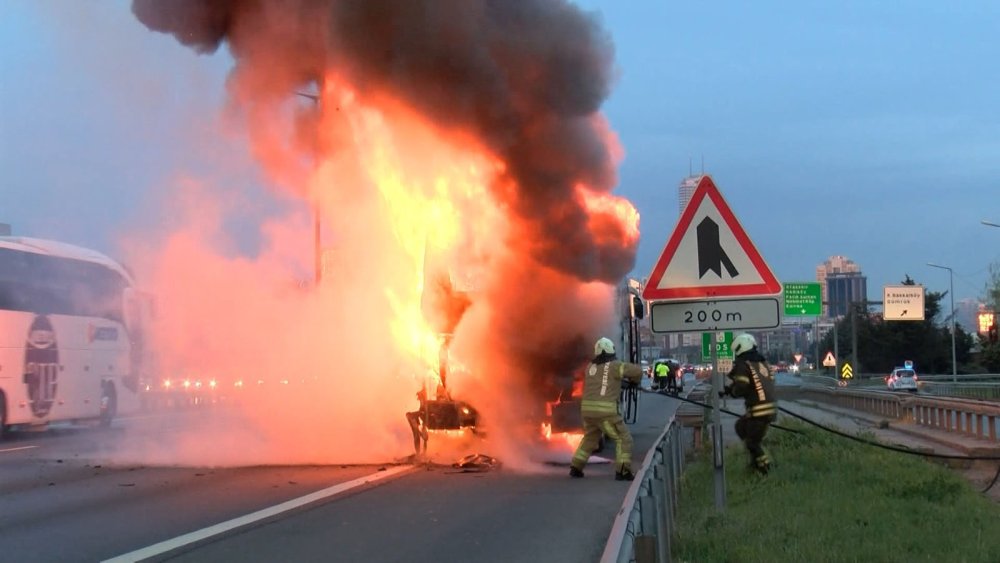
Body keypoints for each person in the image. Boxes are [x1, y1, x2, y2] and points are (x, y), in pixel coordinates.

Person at [569, 337, 644, 481]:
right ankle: (623, 471)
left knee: (590, 438)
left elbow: (602, 383)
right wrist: (634, 383)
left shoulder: (590, 367)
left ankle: (576, 467)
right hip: (605, 413)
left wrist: (619, 384)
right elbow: (637, 372)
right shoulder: (615, 366)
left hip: (588, 412)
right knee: (624, 439)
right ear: (611, 350)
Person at [721, 333, 777, 475]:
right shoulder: (761, 363)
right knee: (741, 426)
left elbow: (742, 386)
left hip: (759, 410)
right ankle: (755, 462)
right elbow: (754, 383)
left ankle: (765, 468)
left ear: (740, 348)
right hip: (769, 408)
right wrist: (730, 389)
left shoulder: (743, 364)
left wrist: (732, 392)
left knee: (752, 442)